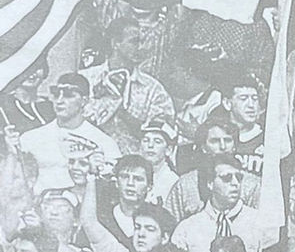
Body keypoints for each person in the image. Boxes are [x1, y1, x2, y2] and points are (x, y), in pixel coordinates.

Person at [80, 16, 176, 154]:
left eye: (142, 42)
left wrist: (122, 113)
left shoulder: (153, 89)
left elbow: (163, 134)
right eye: (134, 42)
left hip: (133, 162)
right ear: (115, 43)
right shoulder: (86, 79)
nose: (141, 48)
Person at [19, 73, 121, 193]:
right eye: (56, 94)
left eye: (68, 95)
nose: (59, 101)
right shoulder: (30, 138)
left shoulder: (103, 143)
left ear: (84, 101)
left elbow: (112, 187)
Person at [171, 154, 264, 252]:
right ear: (210, 183)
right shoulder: (186, 229)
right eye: (227, 178)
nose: (235, 183)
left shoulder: (260, 223)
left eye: (239, 178)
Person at [164, 117, 260, 221]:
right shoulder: (185, 185)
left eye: (227, 140)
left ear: (234, 146)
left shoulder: (252, 184)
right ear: (203, 147)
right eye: (215, 141)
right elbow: (169, 224)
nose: (223, 147)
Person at [209, 73, 265, 176]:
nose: (251, 105)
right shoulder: (216, 138)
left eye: (254, 99)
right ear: (227, 103)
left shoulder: (268, 138)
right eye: (243, 98)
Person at [96, 154, 153, 249]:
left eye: (138, 179)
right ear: (117, 182)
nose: (130, 183)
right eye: (124, 177)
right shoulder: (102, 218)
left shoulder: (157, 220)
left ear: (149, 186)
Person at [138, 119, 179, 205]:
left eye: (157, 142)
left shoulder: (173, 182)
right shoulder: (133, 175)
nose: (150, 145)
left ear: (168, 150)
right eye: (146, 140)